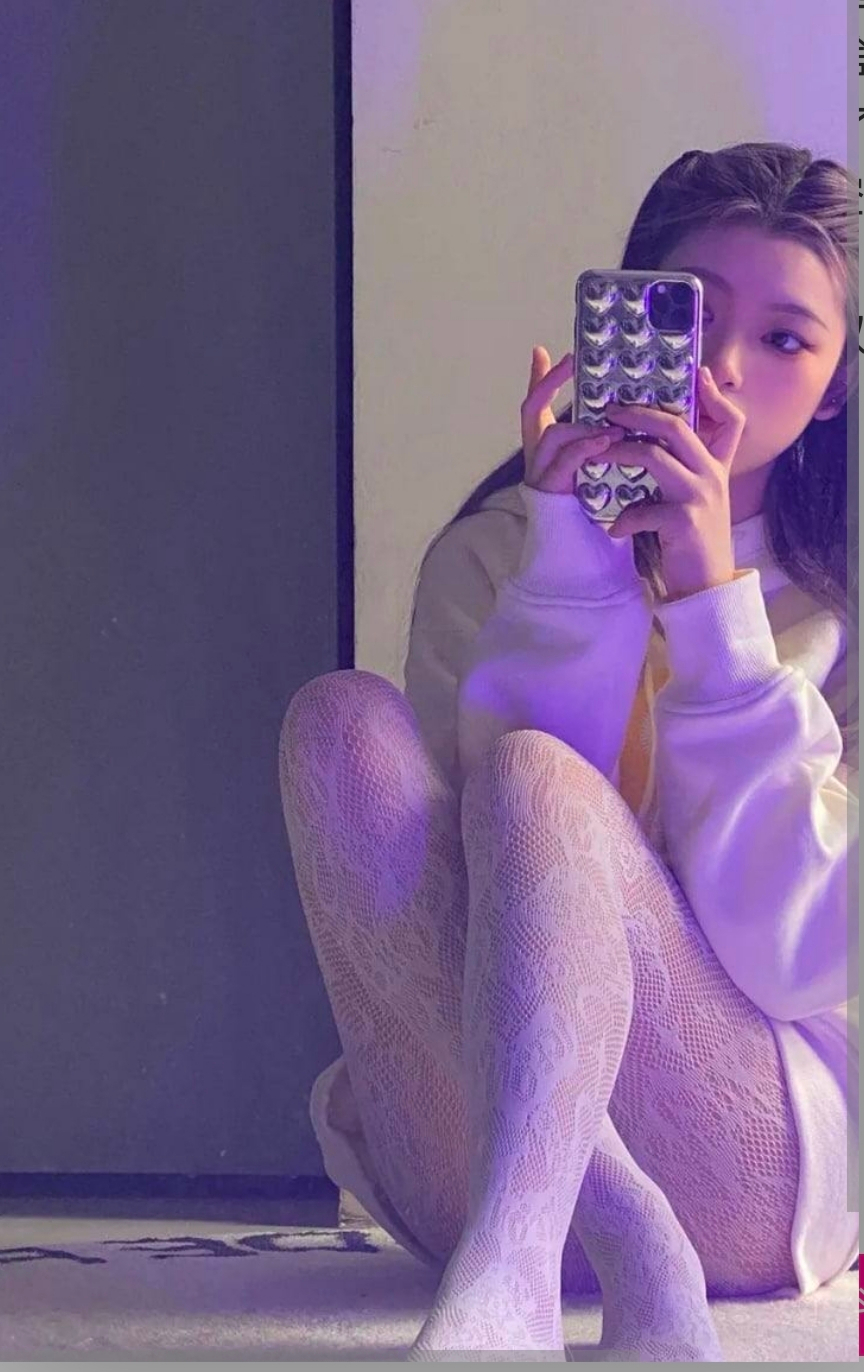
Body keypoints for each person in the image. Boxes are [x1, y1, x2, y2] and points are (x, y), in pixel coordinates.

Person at [278, 142, 859, 1362]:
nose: (722, 370)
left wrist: (713, 602)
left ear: (835, 387)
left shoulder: (843, 604)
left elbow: (797, 956)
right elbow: (464, 894)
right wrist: (574, 567)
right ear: (624, 318)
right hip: (473, 1141)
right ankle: (589, 1236)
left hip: (743, 1156)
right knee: (341, 728)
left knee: (541, 774)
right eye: (691, 316)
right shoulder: (497, 555)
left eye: (784, 340)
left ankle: (532, 1265)